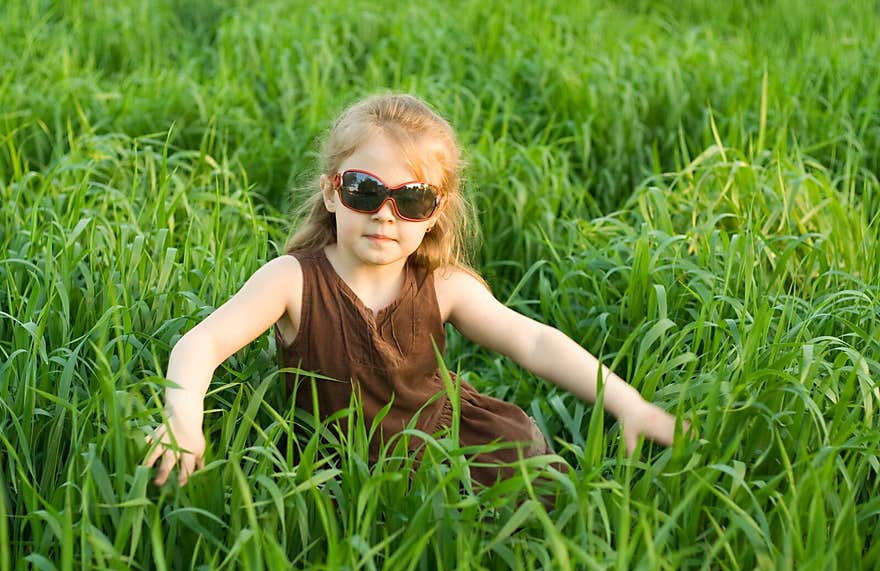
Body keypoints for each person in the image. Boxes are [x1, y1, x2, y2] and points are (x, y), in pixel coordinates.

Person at [144, 92, 689, 497]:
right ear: (332, 194)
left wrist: (629, 405)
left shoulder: (442, 286)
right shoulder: (293, 281)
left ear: (435, 214)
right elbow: (203, 342)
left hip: (445, 444)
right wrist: (183, 417)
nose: (385, 213)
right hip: (331, 464)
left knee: (533, 504)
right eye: (364, 190)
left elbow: (535, 343)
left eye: (411, 199)